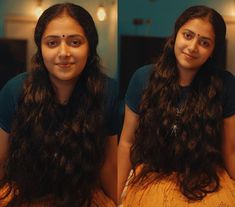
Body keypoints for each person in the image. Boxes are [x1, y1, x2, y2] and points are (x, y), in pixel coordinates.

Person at [0, 3, 118, 207]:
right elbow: (1, 160)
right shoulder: (15, 91)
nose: (64, 53)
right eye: (52, 43)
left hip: (84, 196)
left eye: (75, 42)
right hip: (27, 195)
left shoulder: (107, 91)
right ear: (41, 48)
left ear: (90, 46)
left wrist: (120, 202)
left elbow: (109, 165)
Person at [118, 5, 235, 206]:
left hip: (205, 178)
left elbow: (230, 149)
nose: (192, 47)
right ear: (175, 35)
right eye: (188, 36)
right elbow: (126, 143)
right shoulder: (143, 78)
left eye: (204, 42)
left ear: (213, 50)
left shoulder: (225, 84)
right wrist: (115, 197)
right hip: (152, 176)